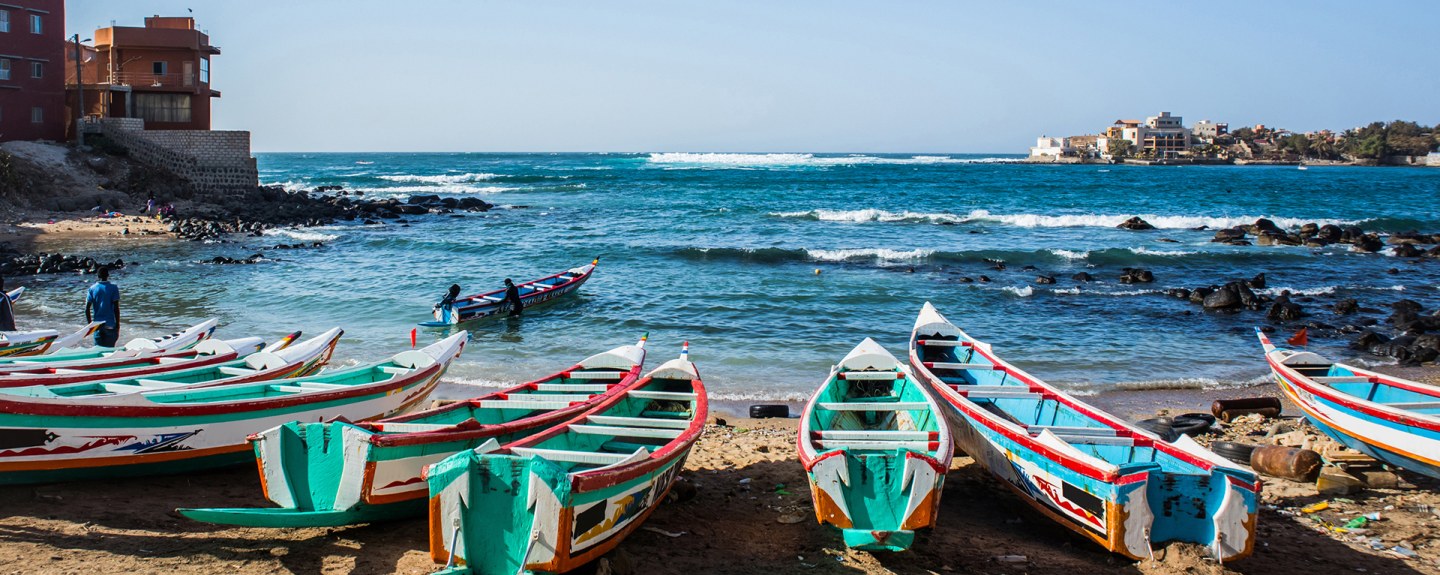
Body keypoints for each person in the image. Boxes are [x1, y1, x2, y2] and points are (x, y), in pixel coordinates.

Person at [85, 267, 121, 347]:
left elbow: (87, 309)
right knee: (110, 351)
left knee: (99, 350)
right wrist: (117, 324)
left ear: (98, 276)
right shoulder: (113, 288)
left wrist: (90, 325)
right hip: (110, 325)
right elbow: (116, 308)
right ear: (108, 275)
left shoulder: (92, 289)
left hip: (97, 325)